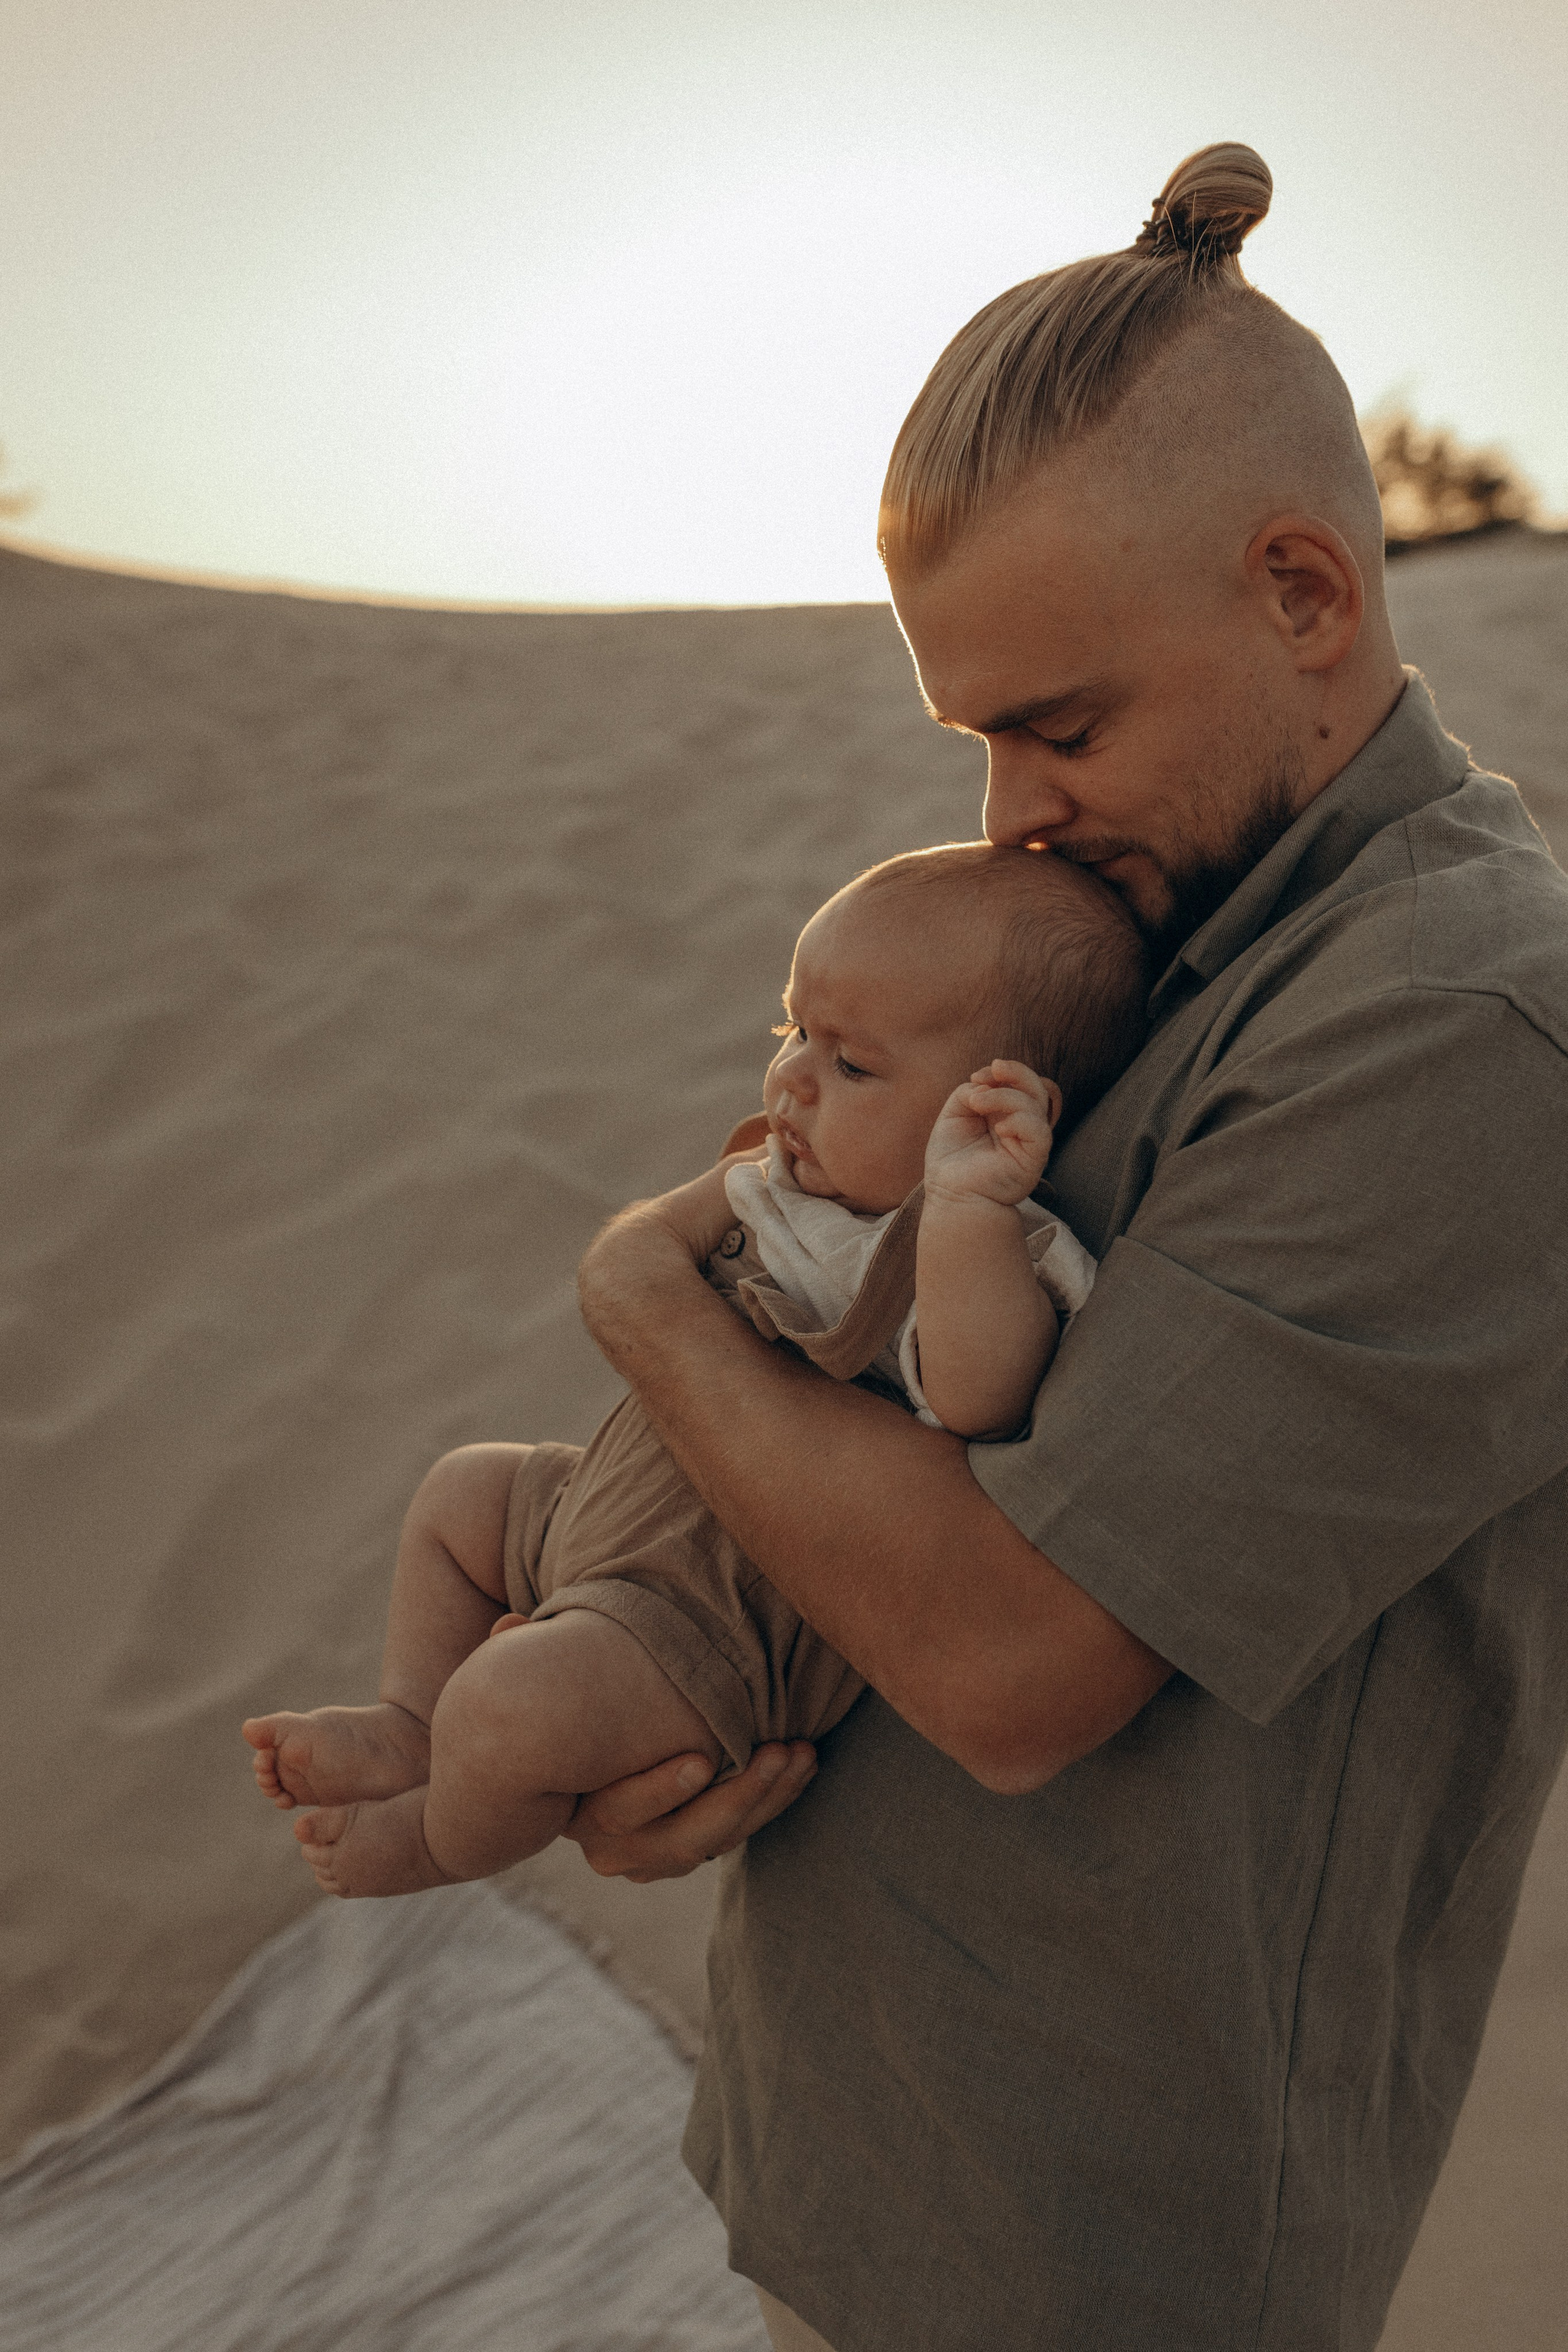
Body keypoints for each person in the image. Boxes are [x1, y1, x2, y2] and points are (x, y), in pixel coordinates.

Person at [558, 143, 1568, 2352]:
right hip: (865, 2134)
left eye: (1064, 723)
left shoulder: (1467, 1026)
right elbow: (866, 1380)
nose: (1014, 808)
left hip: (1091, 2253)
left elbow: (1019, 1667)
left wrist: (638, 1295)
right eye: (980, 732)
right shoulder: (1156, 908)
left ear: (1306, 592)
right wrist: (669, 1678)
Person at [241, 845, 1144, 1898]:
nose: (793, 1079)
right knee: (463, 1493)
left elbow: (983, 1393)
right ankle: (411, 1720)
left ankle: (441, 1839)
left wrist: (969, 1209)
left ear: (993, 1113)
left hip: (707, 1623)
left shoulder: (977, 1247)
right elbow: (634, 1259)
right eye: (794, 1031)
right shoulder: (784, 1185)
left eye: (852, 1066)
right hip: (600, 1508)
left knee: (510, 1707)